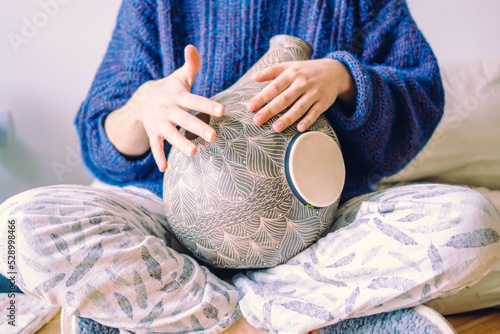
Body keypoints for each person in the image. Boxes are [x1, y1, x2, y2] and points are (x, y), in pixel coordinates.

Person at [1, 0, 499, 333]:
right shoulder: (154, 5)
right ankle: (259, 320)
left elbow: (422, 95)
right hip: (168, 221)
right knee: (14, 231)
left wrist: (343, 78)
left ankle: (205, 309)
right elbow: (98, 136)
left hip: (316, 236)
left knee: (472, 222)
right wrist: (143, 109)